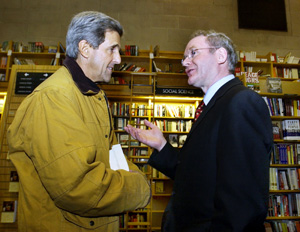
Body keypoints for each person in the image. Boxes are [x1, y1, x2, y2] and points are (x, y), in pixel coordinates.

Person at [7, 11, 150, 232]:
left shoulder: (92, 96)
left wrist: (136, 178)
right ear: (85, 49)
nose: (119, 59)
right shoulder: (54, 98)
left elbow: (113, 158)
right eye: (112, 49)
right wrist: (140, 188)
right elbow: (78, 188)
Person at [125, 30, 273, 232]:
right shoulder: (211, 105)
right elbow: (196, 175)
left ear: (220, 56)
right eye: (184, 57)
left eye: (193, 53)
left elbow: (242, 203)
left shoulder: (241, 102)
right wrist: (162, 145)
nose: (185, 62)